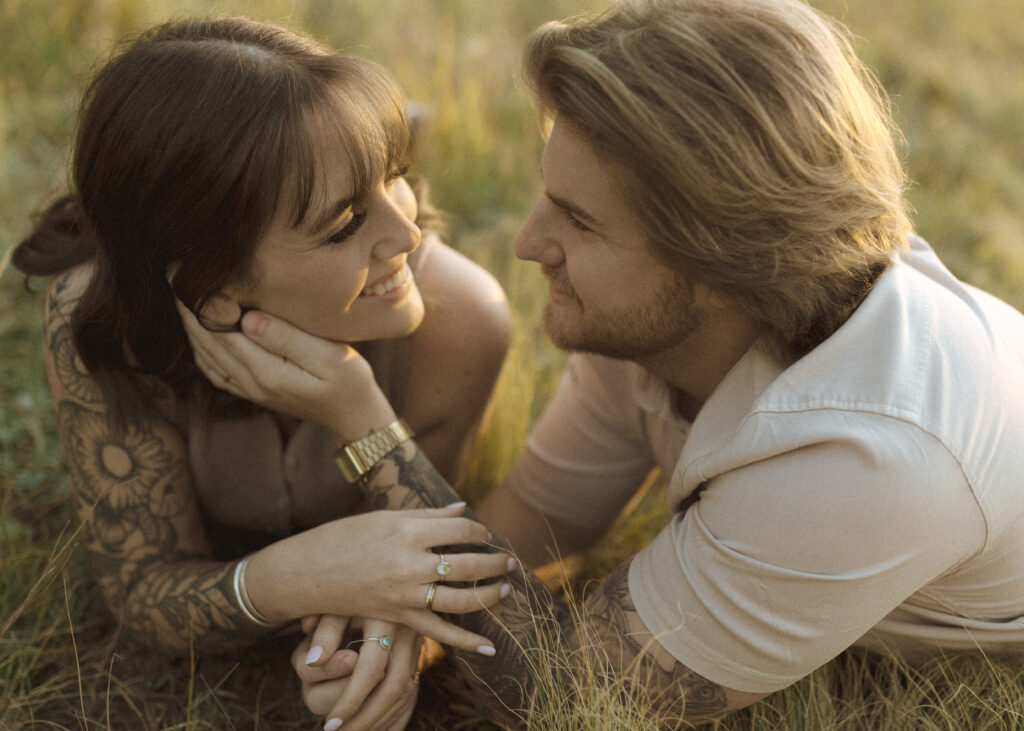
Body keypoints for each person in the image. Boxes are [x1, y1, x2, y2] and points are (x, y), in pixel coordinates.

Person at [178, 0, 1024, 727]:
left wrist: (365, 425)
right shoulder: (662, 325)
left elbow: (570, 697)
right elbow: (538, 526)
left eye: (578, 222)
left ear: (724, 260)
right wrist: (395, 632)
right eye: (548, 194)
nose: (526, 243)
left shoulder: (860, 462)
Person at [13, 16, 515, 731]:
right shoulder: (96, 323)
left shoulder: (463, 319)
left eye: (394, 178)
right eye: (344, 221)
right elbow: (141, 588)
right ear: (214, 287)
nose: (405, 233)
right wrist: (302, 573)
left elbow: (433, 555)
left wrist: (358, 410)